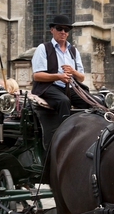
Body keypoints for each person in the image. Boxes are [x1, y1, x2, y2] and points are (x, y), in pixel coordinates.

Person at [31, 14, 89, 144]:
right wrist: (58, 76)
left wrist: (73, 71)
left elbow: (82, 77)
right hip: (49, 86)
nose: (63, 32)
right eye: (59, 28)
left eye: (66, 29)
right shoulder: (43, 48)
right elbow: (37, 75)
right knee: (63, 101)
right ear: (52, 30)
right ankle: (64, 138)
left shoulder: (73, 51)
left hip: (70, 86)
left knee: (90, 101)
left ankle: (87, 132)